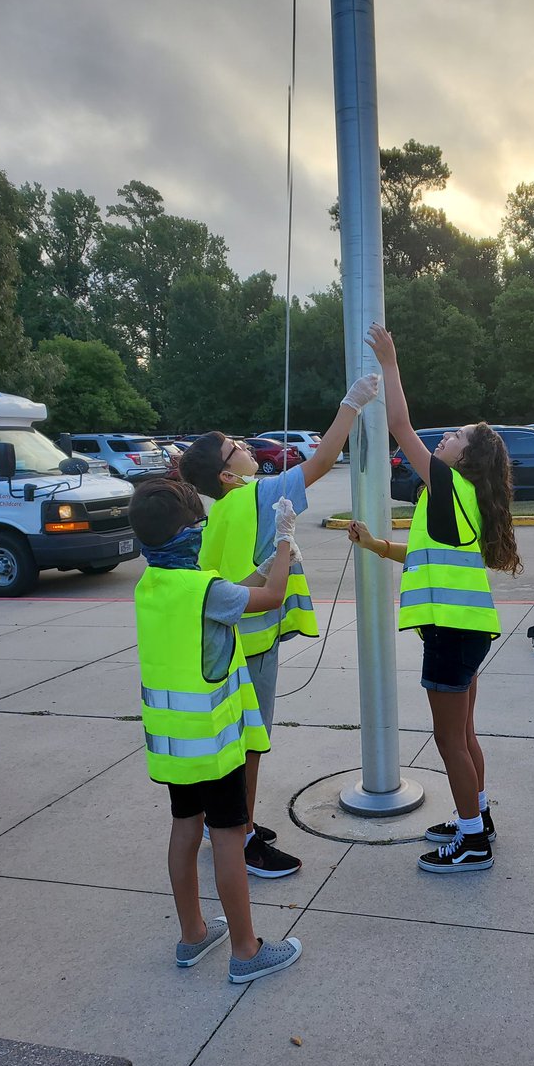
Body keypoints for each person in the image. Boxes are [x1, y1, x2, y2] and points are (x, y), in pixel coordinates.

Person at [178, 375, 378, 878]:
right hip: (252, 644)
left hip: (226, 644)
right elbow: (321, 463)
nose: (245, 448)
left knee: (238, 740)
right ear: (226, 475)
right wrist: (350, 405)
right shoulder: (256, 496)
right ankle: (241, 837)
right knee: (250, 744)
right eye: (235, 449)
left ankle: (224, 824)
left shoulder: (223, 510)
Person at [348, 322, 522, 873]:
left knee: (448, 739)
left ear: (465, 459)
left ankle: (472, 840)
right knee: (463, 733)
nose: (443, 439)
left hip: (452, 632)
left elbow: (399, 424)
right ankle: (479, 816)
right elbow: (426, 555)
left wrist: (392, 362)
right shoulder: (457, 498)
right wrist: (377, 545)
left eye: (453, 438)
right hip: (465, 631)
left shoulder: (448, 485)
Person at [129, 477, 302, 983]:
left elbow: (235, 594)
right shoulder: (204, 588)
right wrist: (286, 540)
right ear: (189, 535)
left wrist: (268, 561)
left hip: (174, 745)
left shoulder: (154, 586)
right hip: (215, 744)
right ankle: (247, 952)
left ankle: (193, 935)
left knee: (186, 828)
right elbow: (269, 598)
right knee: (229, 835)